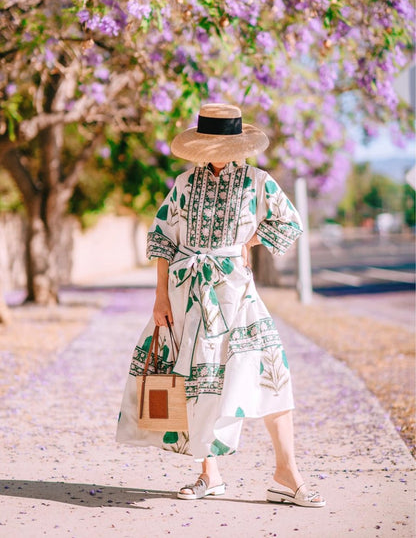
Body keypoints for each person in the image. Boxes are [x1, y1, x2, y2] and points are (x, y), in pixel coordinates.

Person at [116, 103, 326, 507]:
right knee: (198, 383)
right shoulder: (182, 185)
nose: (217, 150)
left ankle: (287, 474)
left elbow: (290, 222)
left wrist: (250, 241)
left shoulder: (257, 182)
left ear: (238, 143)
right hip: (186, 295)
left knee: (272, 373)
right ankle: (208, 475)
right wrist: (160, 296)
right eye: (210, 143)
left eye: (224, 143)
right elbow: (162, 239)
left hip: (237, 293)